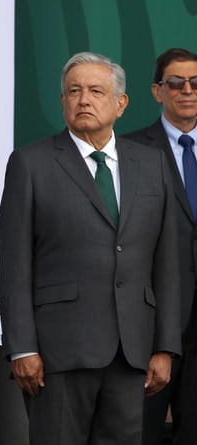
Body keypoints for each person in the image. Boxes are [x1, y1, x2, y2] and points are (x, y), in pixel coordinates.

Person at [0, 51, 181, 444]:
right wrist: (21, 348)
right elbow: (14, 265)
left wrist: (164, 346)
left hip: (132, 352)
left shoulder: (153, 164)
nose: (84, 100)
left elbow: (166, 262)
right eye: (74, 91)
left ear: (120, 103)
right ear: (62, 101)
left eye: (96, 91)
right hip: (57, 352)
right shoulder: (30, 164)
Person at [124, 47, 197, 445]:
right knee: (140, 430)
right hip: (153, 316)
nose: (187, 90)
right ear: (157, 91)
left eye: (196, 82)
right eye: (176, 82)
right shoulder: (129, 151)